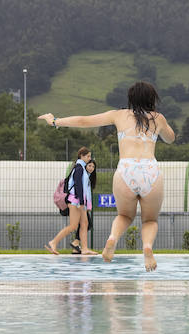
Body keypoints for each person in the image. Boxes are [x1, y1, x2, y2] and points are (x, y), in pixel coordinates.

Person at [39, 81, 175, 271]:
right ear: (152, 99)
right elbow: (170, 139)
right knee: (150, 220)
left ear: (131, 98)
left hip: (126, 170)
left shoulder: (118, 115)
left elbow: (84, 121)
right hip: (150, 170)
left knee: (124, 216)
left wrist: (55, 121)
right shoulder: (158, 118)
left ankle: (112, 238)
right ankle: (147, 247)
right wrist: (160, 126)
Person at [47, 147, 95, 255]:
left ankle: (85, 249)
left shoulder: (82, 168)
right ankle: (53, 242)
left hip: (79, 201)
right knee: (73, 226)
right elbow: (78, 186)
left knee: (85, 224)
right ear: (82, 156)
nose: (89, 158)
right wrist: (81, 202)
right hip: (75, 201)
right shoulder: (78, 168)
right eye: (88, 156)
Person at [71, 159, 98, 254]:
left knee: (84, 224)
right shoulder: (83, 175)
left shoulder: (89, 177)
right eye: (89, 166)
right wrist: (82, 204)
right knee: (87, 224)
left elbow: (88, 194)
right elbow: (80, 190)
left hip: (83, 205)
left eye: (93, 167)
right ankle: (76, 243)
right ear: (85, 166)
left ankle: (75, 248)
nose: (91, 168)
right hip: (79, 203)